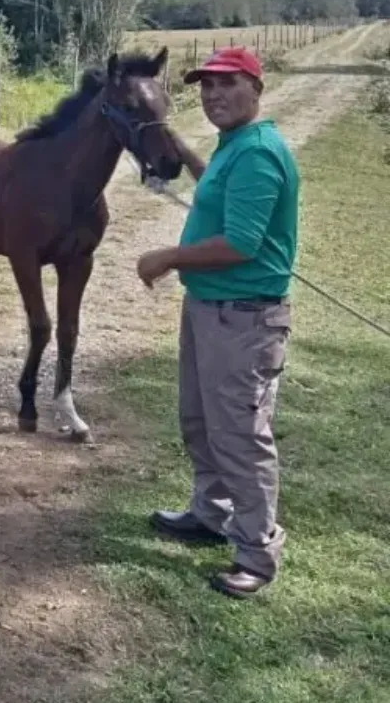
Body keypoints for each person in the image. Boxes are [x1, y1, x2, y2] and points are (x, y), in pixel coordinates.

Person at [135, 46, 298, 600]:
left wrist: (168, 257)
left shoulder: (259, 152)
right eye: (206, 85)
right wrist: (181, 148)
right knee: (201, 421)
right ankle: (211, 513)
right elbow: (218, 193)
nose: (213, 95)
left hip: (245, 317)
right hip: (211, 309)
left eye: (227, 84)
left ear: (256, 88)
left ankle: (257, 552)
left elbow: (240, 243)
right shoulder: (235, 147)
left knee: (240, 436)